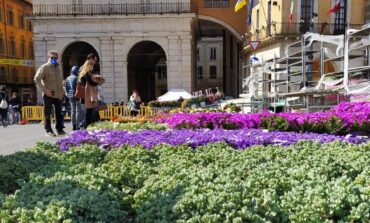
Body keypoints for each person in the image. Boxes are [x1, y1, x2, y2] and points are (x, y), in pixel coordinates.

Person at [34, 50, 66, 137]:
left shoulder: (58, 68)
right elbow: (36, 79)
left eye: (55, 58)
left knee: (59, 112)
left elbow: (60, 82)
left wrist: (62, 93)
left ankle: (60, 130)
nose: (54, 59)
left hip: (58, 94)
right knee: (47, 113)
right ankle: (48, 131)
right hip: (48, 94)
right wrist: (45, 90)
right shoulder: (44, 67)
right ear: (48, 57)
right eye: (52, 57)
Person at [78, 53, 105, 127]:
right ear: (90, 59)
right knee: (89, 110)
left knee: (88, 110)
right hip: (87, 92)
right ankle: (87, 126)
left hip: (84, 91)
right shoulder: (88, 67)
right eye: (95, 60)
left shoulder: (83, 67)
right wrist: (97, 82)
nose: (95, 61)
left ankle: (86, 125)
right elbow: (89, 81)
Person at [66, 66, 85, 130]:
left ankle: (73, 125)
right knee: (78, 111)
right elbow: (78, 88)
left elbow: (67, 88)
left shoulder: (67, 78)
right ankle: (77, 125)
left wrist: (69, 94)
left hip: (70, 96)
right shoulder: (77, 78)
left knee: (72, 111)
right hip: (77, 96)